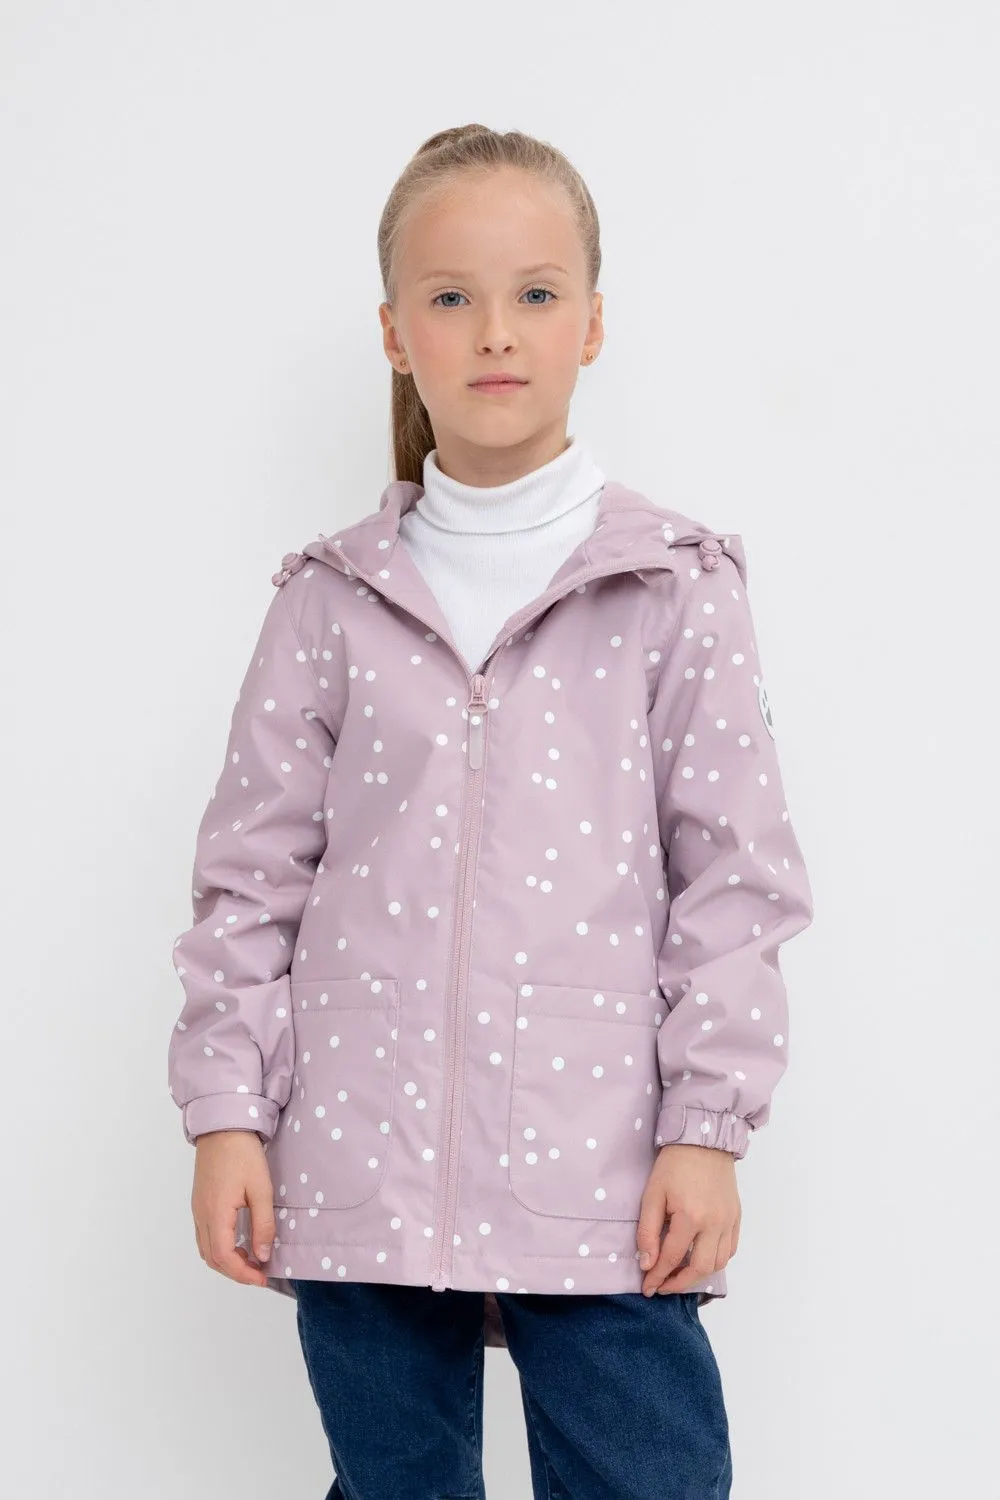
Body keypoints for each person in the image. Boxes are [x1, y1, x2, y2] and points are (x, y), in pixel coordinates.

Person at [166, 122, 814, 1500]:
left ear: (594, 323)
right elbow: (251, 881)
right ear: (395, 334)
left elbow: (737, 886)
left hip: (601, 1173)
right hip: (359, 1155)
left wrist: (705, 1132)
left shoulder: (675, 588)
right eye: (452, 297)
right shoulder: (328, 602)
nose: (496, 332)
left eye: (536, 293)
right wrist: (227, 1111)